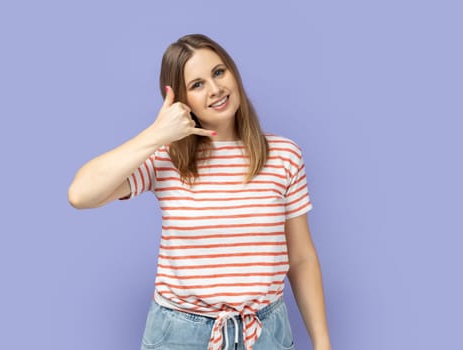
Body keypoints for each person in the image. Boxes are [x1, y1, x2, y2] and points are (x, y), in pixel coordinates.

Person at [68, 34, 331, 350]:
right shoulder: (165, 158)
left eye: (219, 72)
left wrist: (322, 343)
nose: (215, 89)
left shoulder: (283, 155)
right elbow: (81, 194)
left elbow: (301, 258)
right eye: (197, 85)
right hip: (180, 335)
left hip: (264, 333)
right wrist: (156, 134)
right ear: (180, 100)